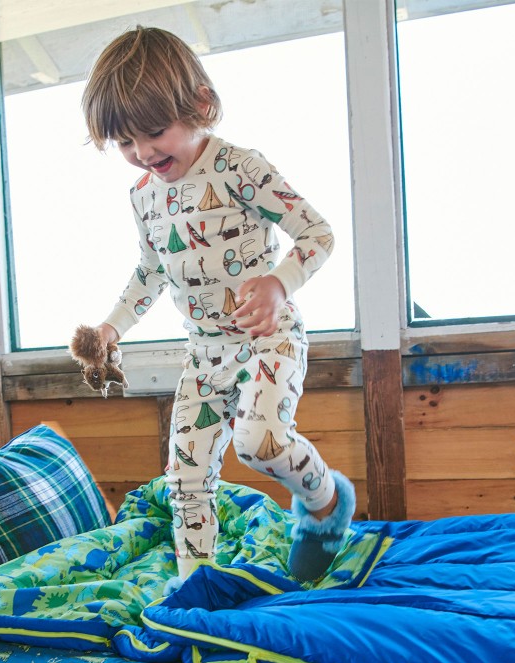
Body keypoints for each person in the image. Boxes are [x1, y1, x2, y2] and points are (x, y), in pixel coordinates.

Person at [81, 26, 355, 589]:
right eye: (126, 142)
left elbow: (317, 233)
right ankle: (195, 587)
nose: (143, 153)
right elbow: (151, 270)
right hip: (204, 355)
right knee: (183, 478)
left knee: (260, 443)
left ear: (200, 104)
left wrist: (280, 283)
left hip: (267, 339)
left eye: (155, 133)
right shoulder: (142, 195)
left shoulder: (239, 168)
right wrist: (113, 325)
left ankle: (327, 503)